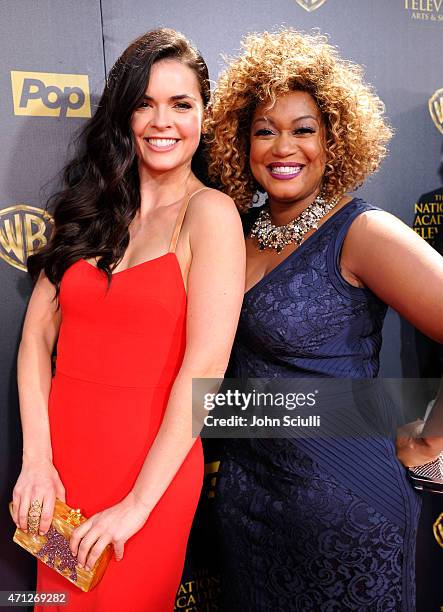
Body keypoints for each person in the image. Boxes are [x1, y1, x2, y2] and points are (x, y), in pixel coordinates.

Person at [205, 29, 443, 611]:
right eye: (265, 130)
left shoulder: (363, 232)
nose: (283, 147)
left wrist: (432, 442)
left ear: (335, 139)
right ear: (243, 142)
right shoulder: (234, 234)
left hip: (346, 509)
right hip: (246, 511)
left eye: (303, 129)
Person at [11, 28, 245, 611]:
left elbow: (206, 371)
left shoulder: (209, 213)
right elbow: (37, 335)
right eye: (145, 102)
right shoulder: (91, 208)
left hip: (150, 476)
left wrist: (137, 507)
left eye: (181, 104)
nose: (161, 121)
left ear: (205, 116)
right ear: (124, 113)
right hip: (61, 470)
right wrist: (37, 461)